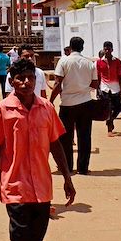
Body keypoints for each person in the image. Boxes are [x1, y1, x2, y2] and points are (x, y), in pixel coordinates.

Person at [0, 59, 76, 241]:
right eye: (20, 78)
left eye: (30, 78)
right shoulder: (2, 110)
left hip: (42, 188)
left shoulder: (47, 108)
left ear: (35, 79)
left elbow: (56, 145)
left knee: (37, 237)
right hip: (16, 188)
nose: (26, 82)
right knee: (20, 237)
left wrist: (67, 177)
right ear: (11, 82)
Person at [50, 37, 98, 175]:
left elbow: (58, 83)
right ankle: (83, 168)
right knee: (85, 136)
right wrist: (83, 88)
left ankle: (68, 167)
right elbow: (95, 84)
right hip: (85, 103)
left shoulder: (64, 61)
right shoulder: (90, 63)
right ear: (82, 48)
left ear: (70, 47)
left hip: (67, 104)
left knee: (65, 137)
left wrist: (50, 100)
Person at [96, 41, 121, 137]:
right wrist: (97, 89)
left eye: (108, 49)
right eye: (105, 49)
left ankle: (110, 120)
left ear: (112, 50)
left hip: (115, 87)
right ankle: (109, 129)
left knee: (118, 107)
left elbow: (120, 76)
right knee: (108, 107)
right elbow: (98, 76)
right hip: (104, 87)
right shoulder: (99, 62)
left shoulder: (117, 61)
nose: (107, 51)